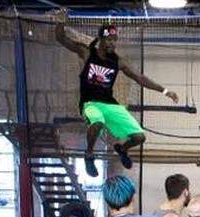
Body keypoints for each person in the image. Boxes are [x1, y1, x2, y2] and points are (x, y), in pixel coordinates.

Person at [53, 9, 179, 176]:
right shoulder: (87, 52)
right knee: (96, 122)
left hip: (110, 104)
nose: (113, 43)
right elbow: (61, 38)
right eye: (109, 40)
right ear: (101, 40)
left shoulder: (117, 61)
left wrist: (165, 91)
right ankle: (89, 154)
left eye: (115, 40)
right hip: (90, 103)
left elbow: (139, 78)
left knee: (139, 137)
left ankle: (121, 148)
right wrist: (61, 22)